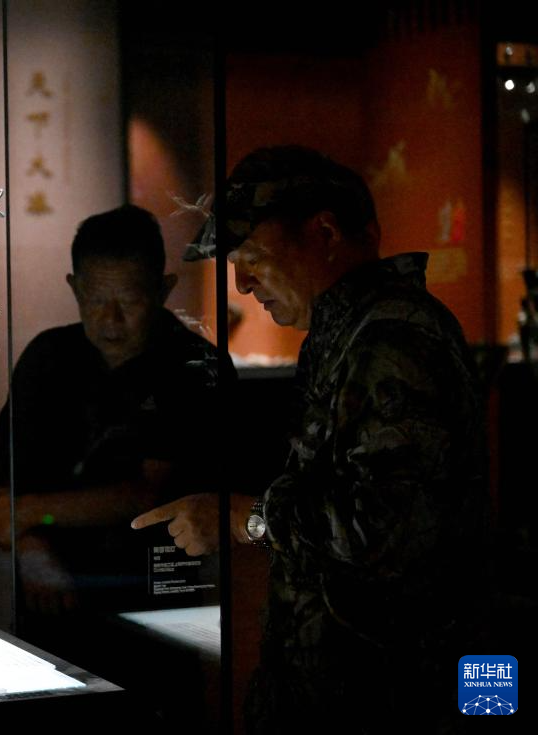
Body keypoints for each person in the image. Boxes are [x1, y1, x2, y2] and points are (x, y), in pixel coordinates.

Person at [132, 146, 487, 731]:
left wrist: (248, 519)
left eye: (251, 257)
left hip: (385, 699)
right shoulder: (351, 333)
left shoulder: (392, 341)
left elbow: (388, 527)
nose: (242, 282)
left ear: (324, 232)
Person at [0, 204, 233, 639]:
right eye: (96, 300)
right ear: (75, 288)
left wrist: (30, 512)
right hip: (46, 595)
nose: (111, 319)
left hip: (153, 597)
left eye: (129, 302)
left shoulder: (195, 367)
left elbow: (149, 494)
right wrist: (30, 545)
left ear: (163, 290)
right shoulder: (47, 357)